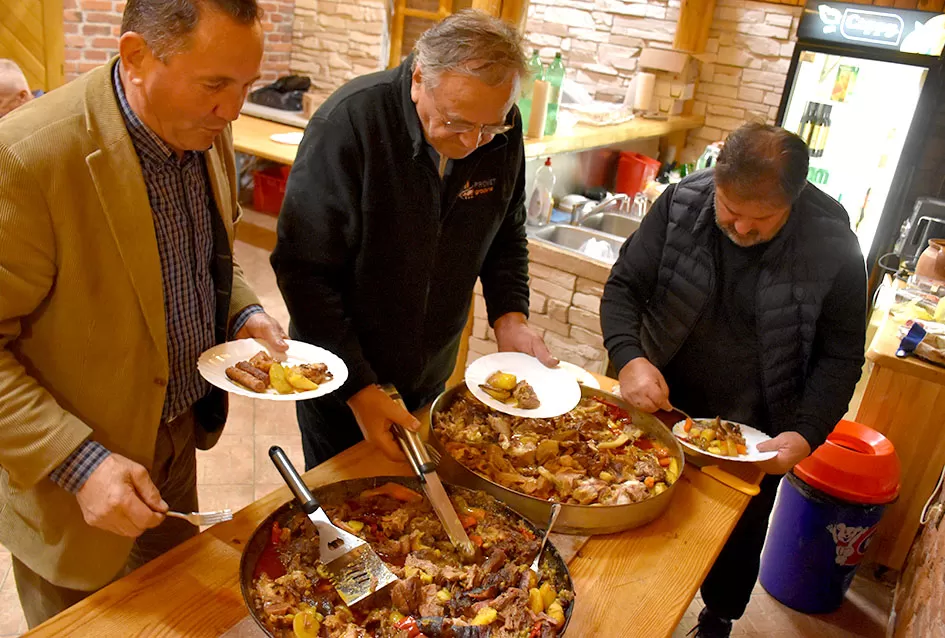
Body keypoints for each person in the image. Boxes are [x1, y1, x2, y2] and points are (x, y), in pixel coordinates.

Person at [0, 0, 287, 627]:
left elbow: (208, 257)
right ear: (135, 56)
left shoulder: (205, 127)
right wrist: (80, 464)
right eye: (215, 85)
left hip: (177, 441)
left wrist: (243, 314)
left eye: (247, 86)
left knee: (168, 609)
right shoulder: (25, 159)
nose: (234, 109)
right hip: (71, 479)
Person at [600, 123, 867, 637]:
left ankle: (717, 618)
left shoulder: (833, 242)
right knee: (634, 508)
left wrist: (808, 431)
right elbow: (624, 288)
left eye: (760, 219)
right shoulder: (681, 201)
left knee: (735, 538)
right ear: (718, 180)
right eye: (729, 211)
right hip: (661, 403)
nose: (741, 229)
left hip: (759, 427)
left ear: (793, 197)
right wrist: (629, 356)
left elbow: (840, 356)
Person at [271, 9, 555, 469]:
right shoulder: (349, 124)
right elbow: (303, 273)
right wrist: (359, 389)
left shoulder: (496, 125)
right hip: (342, 373)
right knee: (346, 506)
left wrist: (510, 315)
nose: (472, 143)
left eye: (490, 127)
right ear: (419, 78)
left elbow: (505, 229)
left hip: (429, 370)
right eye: (457, 123)